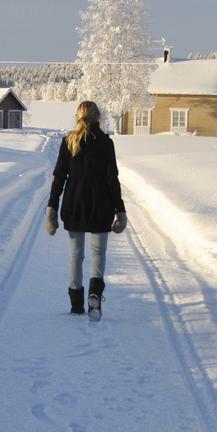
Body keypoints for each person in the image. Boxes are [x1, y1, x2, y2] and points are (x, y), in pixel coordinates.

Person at [46, 101, 128, 316]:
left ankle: (75, 304)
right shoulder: (105, 143)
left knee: (75, 254)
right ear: (97, 117)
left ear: (78, 116)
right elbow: (112, 179)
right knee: (98, 252)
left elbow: (59, 178)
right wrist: (120, 210)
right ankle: (94, 293)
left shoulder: (69, 142)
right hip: (101, 204)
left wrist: (52, 207)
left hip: (75, 204)